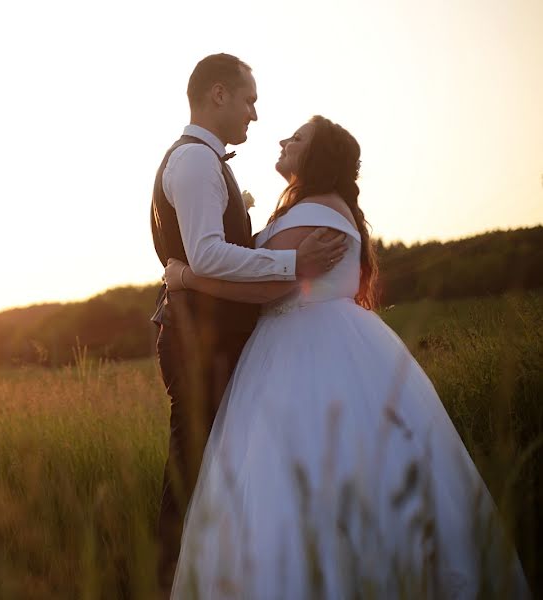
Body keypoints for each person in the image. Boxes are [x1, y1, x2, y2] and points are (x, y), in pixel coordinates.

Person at [165, 115, 530, 598]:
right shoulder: (314, 208)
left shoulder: (314, 212)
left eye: (296, 138)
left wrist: (185, 277)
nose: (282, 139)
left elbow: (270, 287)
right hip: (306, 340)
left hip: (306, 348)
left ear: (318, 157)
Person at [149, 54, 348, 591]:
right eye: (249, 100)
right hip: (198, 342)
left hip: (209, 337)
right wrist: (293, 264)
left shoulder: (206, 163)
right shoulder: (193, 163)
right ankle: (172, 581)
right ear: (218, 95)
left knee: (210, 464)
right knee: (191, 467)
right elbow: (209, 256)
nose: (254, 115)